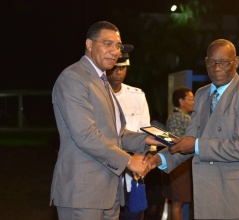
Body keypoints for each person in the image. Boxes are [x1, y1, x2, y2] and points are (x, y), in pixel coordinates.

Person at [144, 39, 239, 220]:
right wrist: (157, 160)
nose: (217, 68)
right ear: (205, 62)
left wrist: (196, 145)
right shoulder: (201, 94)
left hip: (237, 200)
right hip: (207, 198)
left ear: (236, 62)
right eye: (211, 62)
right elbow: (189, 140)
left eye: (224, 62)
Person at [50, 21, 162, 220]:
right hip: (82, 195)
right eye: (107, 44)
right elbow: (85, 135)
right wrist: (129, 161)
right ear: (89, 44)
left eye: (118, 46)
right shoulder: (73, 78)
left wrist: (146, 140)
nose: (115, 51)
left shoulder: (103, 82)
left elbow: (116, 133)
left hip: (109, 195)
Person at [106, 43, 150, 220]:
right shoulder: (100, 95)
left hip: (134, 174)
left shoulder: (137, 95)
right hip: (108, 172)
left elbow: (146, 134)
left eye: (123, 68)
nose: (118, 72)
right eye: (115, 68)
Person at [161, 86, 194, 220]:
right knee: (177, 203)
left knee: (176, 202)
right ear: (181, 101)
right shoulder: (183, 118)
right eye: (191, 99)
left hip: (174, 165)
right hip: (179, 166)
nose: (193, 102)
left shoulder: (173, 117)